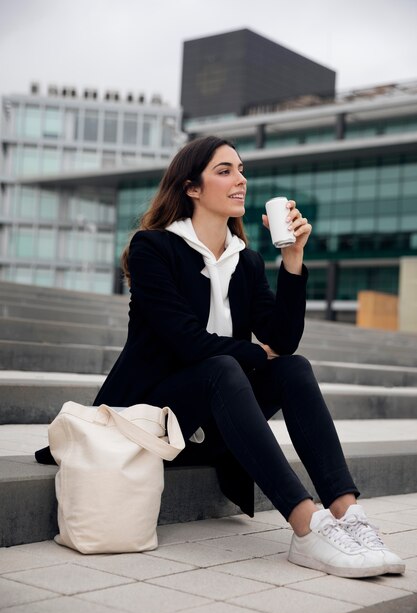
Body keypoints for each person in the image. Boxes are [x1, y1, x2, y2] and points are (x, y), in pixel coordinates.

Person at [36, 136, 404, 578]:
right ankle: (307, 529)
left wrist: (292, 261)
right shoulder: (153, 248)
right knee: (222, 367)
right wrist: (253, 352)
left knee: (293, 368)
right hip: (152, 416)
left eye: (242, 170)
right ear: (191, 187)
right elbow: (188, 343)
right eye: (225, 171)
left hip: (214, 419)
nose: (241, 180)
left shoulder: (244, 261)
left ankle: (348, 515)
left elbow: (283, 341)